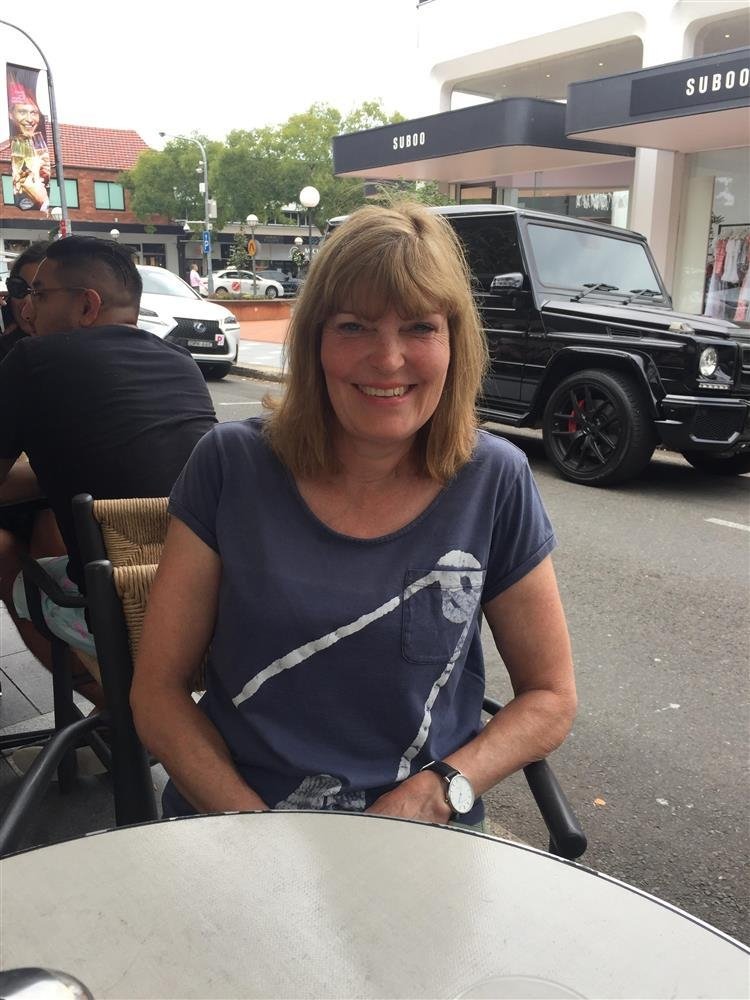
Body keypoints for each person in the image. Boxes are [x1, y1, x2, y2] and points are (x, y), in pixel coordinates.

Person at [132, 202, 577, 828]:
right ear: (315, 340)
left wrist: (437, 792)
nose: (388, 359)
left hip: (419, 838)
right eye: (353, 326)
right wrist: (258, 831)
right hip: (234, 823)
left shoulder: (495, 479)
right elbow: (157, 692)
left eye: (419, 327)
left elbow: (550, 697)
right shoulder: (230, 464)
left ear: (454, 342)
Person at [0, 236, 217, 703]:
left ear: (87, 305)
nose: (27, 309)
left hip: (121, 613)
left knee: (6, 557)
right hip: (214, 605)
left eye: (39, 294)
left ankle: (121, 713)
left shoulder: (32, 360)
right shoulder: (182, 360)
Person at [7, 81, 50, 213]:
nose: (30, 119)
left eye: (34, 112)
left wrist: (42, 199)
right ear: (11, 114)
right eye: (22, 112)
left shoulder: (37, 142)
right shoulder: (17, 144)